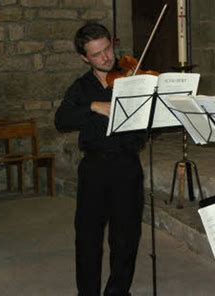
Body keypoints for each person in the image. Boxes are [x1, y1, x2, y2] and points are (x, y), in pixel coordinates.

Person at [55, 23, 146, 296]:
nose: (107, 57)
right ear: (85, 58)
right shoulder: (81, 88)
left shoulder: (133, 78)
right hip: (94, 167)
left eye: (108, 49)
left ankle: (118, 291)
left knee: (126, 238)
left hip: (128, 165)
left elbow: (149, 125)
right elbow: (62, 120)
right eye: (97, 54)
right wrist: (95, 106)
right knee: (88, 239)